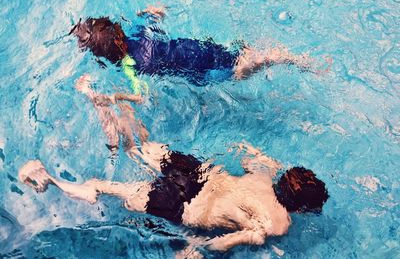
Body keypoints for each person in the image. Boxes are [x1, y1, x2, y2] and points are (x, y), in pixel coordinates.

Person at [18, 75, 329, 253]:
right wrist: (196, 248)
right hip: (188, 208)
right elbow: (224, 245)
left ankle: (113, 108)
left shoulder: (264, 174)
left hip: (199, 174)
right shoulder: (280, 223)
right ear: (300, 208)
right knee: (105, 188)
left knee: (141, 148)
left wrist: (267, 165)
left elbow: (247, 153)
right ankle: (52, 180)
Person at [70, 5, 321, 95]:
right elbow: (157, 12)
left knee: (236, 72)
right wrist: (144, 13)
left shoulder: (129, 66)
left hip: (195, 71)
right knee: (228, 53)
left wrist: (111, 95)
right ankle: (257, 53)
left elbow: (142, 94)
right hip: (194, 46)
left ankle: (271, 59)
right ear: (117, 31)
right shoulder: (137, 30)